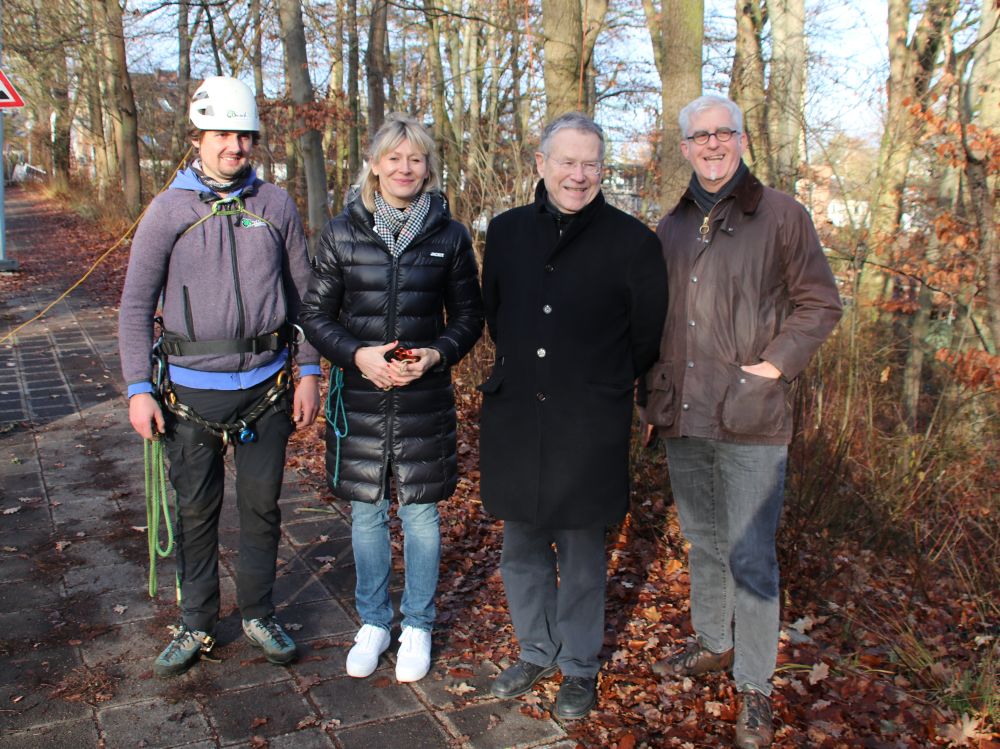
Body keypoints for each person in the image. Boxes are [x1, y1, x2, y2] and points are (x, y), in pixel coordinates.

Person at [645, 94, 842, 748]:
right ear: (684, 147)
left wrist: (776, 367)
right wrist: (648, 391)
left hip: (752, 414)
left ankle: (755, 683)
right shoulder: (670, 225)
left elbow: (820, 303)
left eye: (722, 132)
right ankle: (711, 641)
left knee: (751, 552)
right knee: (703, 537)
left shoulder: (781, 214)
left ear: (741, 137)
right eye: (699, 135)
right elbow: (653, 319)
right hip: (685, 412)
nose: (712, 144)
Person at [118, 76, 321, 677]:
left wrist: (309, 370)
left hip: (267, 387)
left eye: (243, 135)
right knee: (196, 512)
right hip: (188, 393)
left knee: (262, 509)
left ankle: (258, 611)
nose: (234, 146)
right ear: (198, 137)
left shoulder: (276, 204)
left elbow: (305, 297)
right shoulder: (168, 211)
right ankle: (197, 624)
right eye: (222, 134)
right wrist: (137, 388)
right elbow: (134, 306)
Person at [478, 112, 667, 720]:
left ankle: (579, 667)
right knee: (521, 547)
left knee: (584, 557)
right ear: (541, 164)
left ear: (602, 170)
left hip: (588, 423)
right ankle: (535, 648)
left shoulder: (633, 241)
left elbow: (646, 336)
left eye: (590, 163)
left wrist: (601, 385)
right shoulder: (505, 232)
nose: (577, 175)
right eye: (566, 161)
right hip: (518, 417)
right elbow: (495, 312)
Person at [299, 113, 483, 684]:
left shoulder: (449, 236)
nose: (405, 168)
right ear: (374, 165)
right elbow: (314, 316)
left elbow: (470, 317)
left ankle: (418, 624)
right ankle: (375, 622)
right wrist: (358, 356)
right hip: (359, 396)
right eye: (394, 158)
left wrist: (436, 355)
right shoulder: (341, 232)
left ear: (428, 168)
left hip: (424, 397)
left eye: (416, 158)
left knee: (422, 513)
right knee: (366, 511)